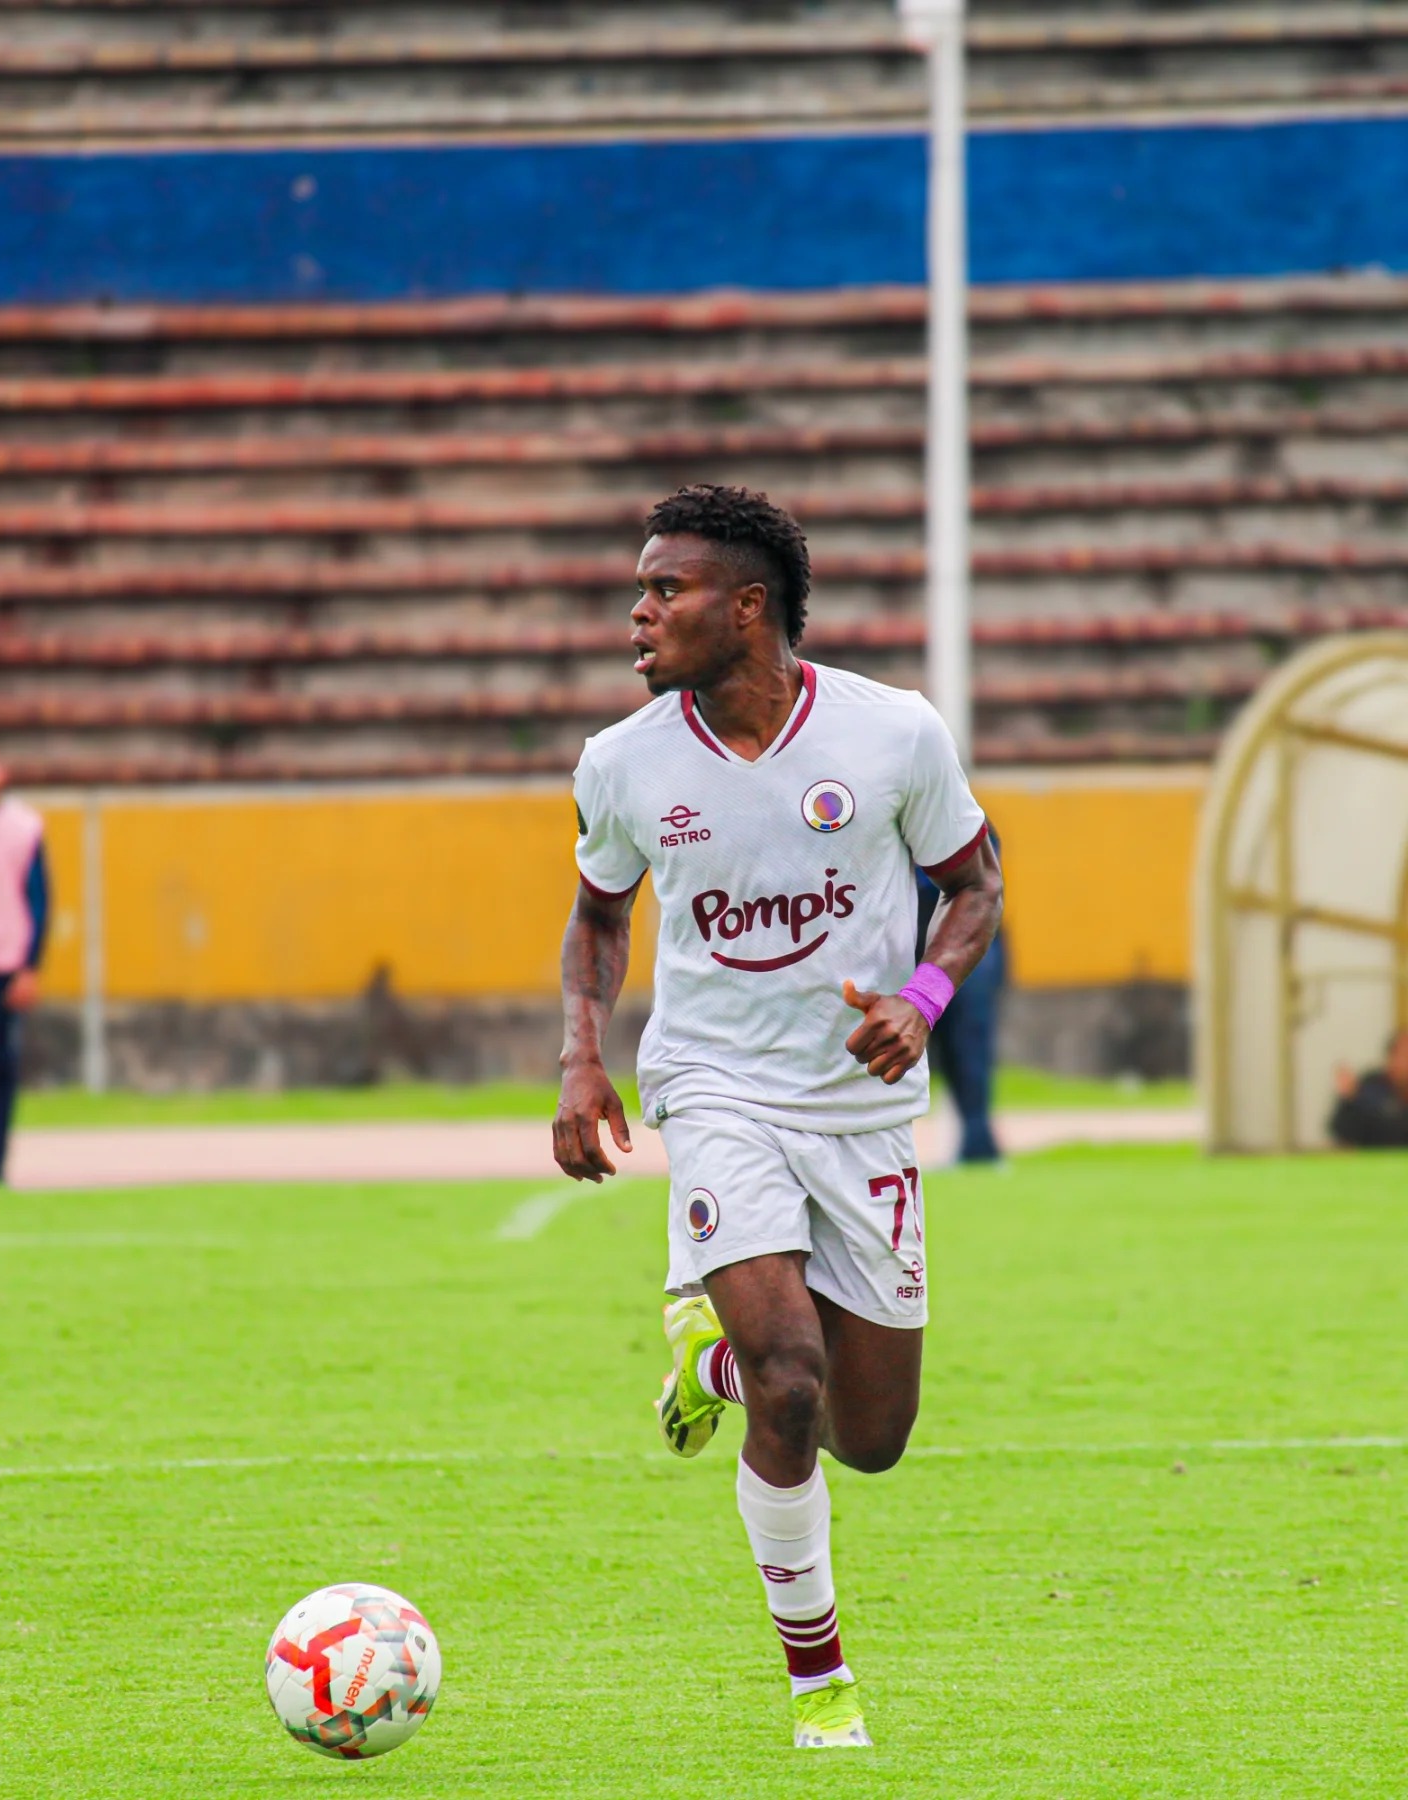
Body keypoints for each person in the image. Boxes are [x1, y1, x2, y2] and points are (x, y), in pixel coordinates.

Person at [552, 485, 1001, 1749]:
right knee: (791, 1387)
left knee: (874, 1438)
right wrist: (584, 1059)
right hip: (714, 1088)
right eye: (639, 590)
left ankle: (708, 1362)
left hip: (861, 1112)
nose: (639, 612)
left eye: (666, 590)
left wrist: (919, 996)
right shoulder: (622, 760)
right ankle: (822, 1692)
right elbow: (598, 915)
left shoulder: (893, 734)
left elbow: (975, 884)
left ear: (748, 607)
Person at [0, 742, 50, 1185]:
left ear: (0, 773)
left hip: (1, 958)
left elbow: (40, 900)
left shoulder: (23, 828)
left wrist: (29, 965)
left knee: (0, 1062)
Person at [915, 826, 1006, 1163]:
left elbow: (982, 889)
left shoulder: (968, 823)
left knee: (969, 1052)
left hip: (967, 961)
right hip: (914, 958)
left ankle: (978, 1144)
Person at [1329, 1029, 1408, 1149]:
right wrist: (1348, 1099)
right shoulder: (1370, 1086)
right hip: (1374, 1164)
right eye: (1405, 1055)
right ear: (1392, 1058)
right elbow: (1342, 1131)